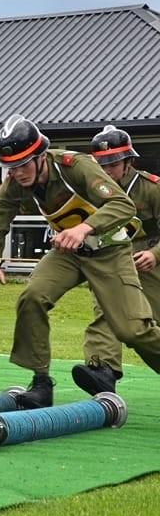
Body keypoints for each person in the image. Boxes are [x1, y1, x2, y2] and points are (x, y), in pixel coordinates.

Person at [0, 115, 160, 409]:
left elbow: (122, 205)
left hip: (110, 251)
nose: (18, 173)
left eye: (24, 164)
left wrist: (83, 228)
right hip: (69, 254)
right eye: (11, 167)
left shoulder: (75, 166)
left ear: (40, 157)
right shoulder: (15, 182)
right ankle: (40, 383)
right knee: (32, 296)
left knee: (132, 330)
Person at [73, 126, 160, 395]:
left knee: (148, 324)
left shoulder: (151, 188)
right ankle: (103, 369)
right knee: (106, 308)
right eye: (101, 163)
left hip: (150, 258)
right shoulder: (89, 190)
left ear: (129, 162)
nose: (107, 169)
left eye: (113, 163)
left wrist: (154, 255)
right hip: (111, 258)